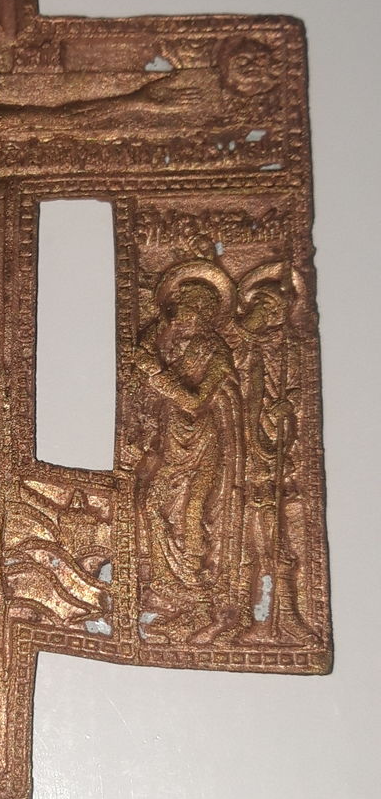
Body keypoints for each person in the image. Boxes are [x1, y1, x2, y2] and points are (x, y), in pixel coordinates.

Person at [132, 267, 245, 642]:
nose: (176, 311)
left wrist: (157, 374)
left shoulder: (215, 352)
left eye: (183, 306)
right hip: (172, 438)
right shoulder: (169, 340)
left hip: (201, 440)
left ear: (200, 310)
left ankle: (196, 596)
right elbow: (146, 357)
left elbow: (196, 401)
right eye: (176, 305)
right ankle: (170, 593)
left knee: (192, 511)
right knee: (152, 503)